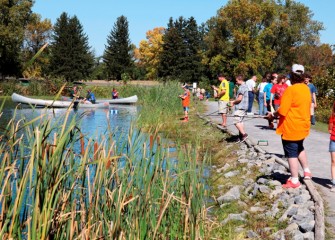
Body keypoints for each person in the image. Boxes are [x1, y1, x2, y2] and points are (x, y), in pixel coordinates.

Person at [266, 64, 312, 188]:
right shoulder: (306, 89)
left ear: (291, 75)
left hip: (291, 127)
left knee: (291, 153)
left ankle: (294, 180)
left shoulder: (290, 90)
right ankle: (306, 171)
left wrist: (272, 115)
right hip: (303, 125)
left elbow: (282, 111)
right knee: (299, 147)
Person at [229, 75, 249, 143]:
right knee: (240, 121)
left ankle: (244, 134)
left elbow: (240, 99)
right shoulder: (246, 86)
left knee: (236, 121)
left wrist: (233, 102)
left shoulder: (242, 87)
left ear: (240, 79)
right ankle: (240, 137)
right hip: (244, 107)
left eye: (236, 81)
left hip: (240, 107)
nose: (236, 82)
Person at [328, 102, 335, 192]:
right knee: (334, 161)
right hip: (333, 140)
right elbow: (330, 128)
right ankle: (334, 182)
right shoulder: (333, 116)